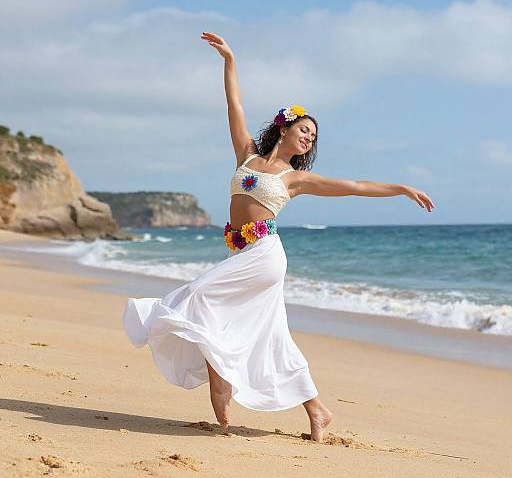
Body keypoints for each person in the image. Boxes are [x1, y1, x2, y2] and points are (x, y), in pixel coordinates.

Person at [123, 31, 436, 443]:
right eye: (305, 129)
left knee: (200, 296)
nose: (309, 138)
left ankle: (221, 379)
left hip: (265, 255)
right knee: (271, 335)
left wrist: (400, 188)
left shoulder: (297, 179)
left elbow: (355, 185)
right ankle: (317, 410)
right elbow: (234, 104)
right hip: (242, 253)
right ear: (284, 127)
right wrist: (229, 60)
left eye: (313, 137)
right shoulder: (247, 154)